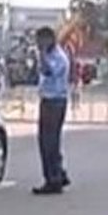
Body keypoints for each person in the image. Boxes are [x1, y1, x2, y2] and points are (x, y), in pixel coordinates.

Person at [32, 27, 71, 195]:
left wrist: (40, 55)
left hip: (54, 102)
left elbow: (48, 71)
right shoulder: (52, 55)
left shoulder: (57, 57)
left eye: (40, 40)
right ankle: (59, 173)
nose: (37, 43)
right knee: (51, 140)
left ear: (48, 40)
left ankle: (52, 180)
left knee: (48, 141)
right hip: (50, 100)